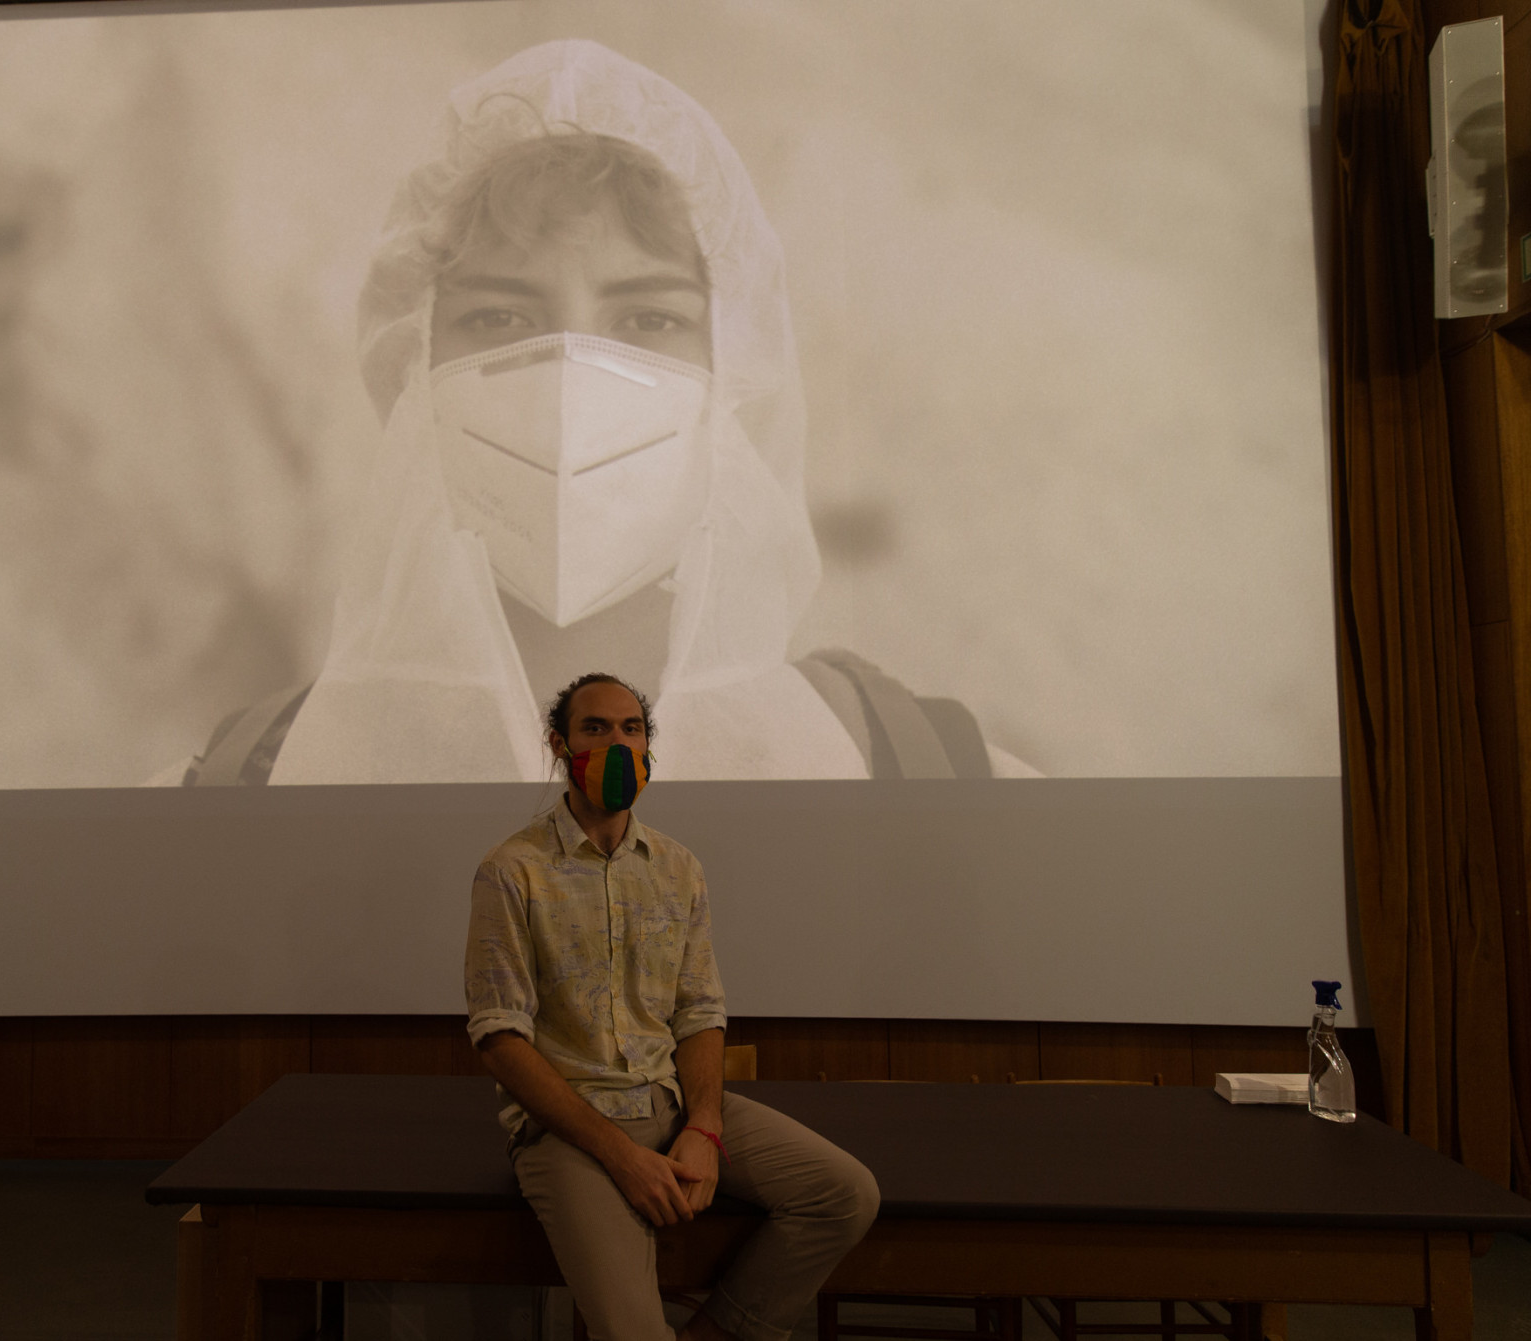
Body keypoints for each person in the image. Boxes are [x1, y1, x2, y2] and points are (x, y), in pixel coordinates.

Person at [174, 38, 1022, 787]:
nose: (570, 382)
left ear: (734, 373)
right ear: (414, 367)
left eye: (648, 320)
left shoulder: (920, 776)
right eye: (500, 318)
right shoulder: (249, 789)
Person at [466, 671, 881, 1341]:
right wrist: (621, 1156)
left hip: (672, 1103)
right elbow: (499, 1038)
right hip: (570, 1132)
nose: (617, 744)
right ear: (558, 745)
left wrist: (706, 1126)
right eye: (595, 728)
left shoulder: (677, 867)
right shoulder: (512, 869)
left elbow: (699, 1011)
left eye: (631, 729)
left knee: (844, 1194)